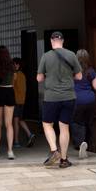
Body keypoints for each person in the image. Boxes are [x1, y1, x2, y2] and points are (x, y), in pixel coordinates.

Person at [36, 31, 81, 169]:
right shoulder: (71, 55)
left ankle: (54, 150)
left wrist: (48, 77)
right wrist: (68, 77)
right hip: (69, 96)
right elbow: (79, 76)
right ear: (63, 41)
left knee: (47, 124)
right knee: (64, 127)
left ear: (51, 41)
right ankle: (64, 160)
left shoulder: (46, 56)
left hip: (51, 97)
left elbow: (39, 78)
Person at [71, 50, 96, 160]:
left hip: (77, 100)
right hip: (90, 100)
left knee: (76, 122)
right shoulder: (90, 71)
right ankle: (87, 143)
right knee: (88, 122)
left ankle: (80, 143)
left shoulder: (73, 71)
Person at [11, 57, 36, 148]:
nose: (13, 66)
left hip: (15, 101)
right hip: (22, 101)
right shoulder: (23, 75)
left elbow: (11, 88)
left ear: (18, 65)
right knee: (20, 120)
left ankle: (16, 141)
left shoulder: (15, 75)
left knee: (15, 121)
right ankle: (29, 134)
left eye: (15, 64)